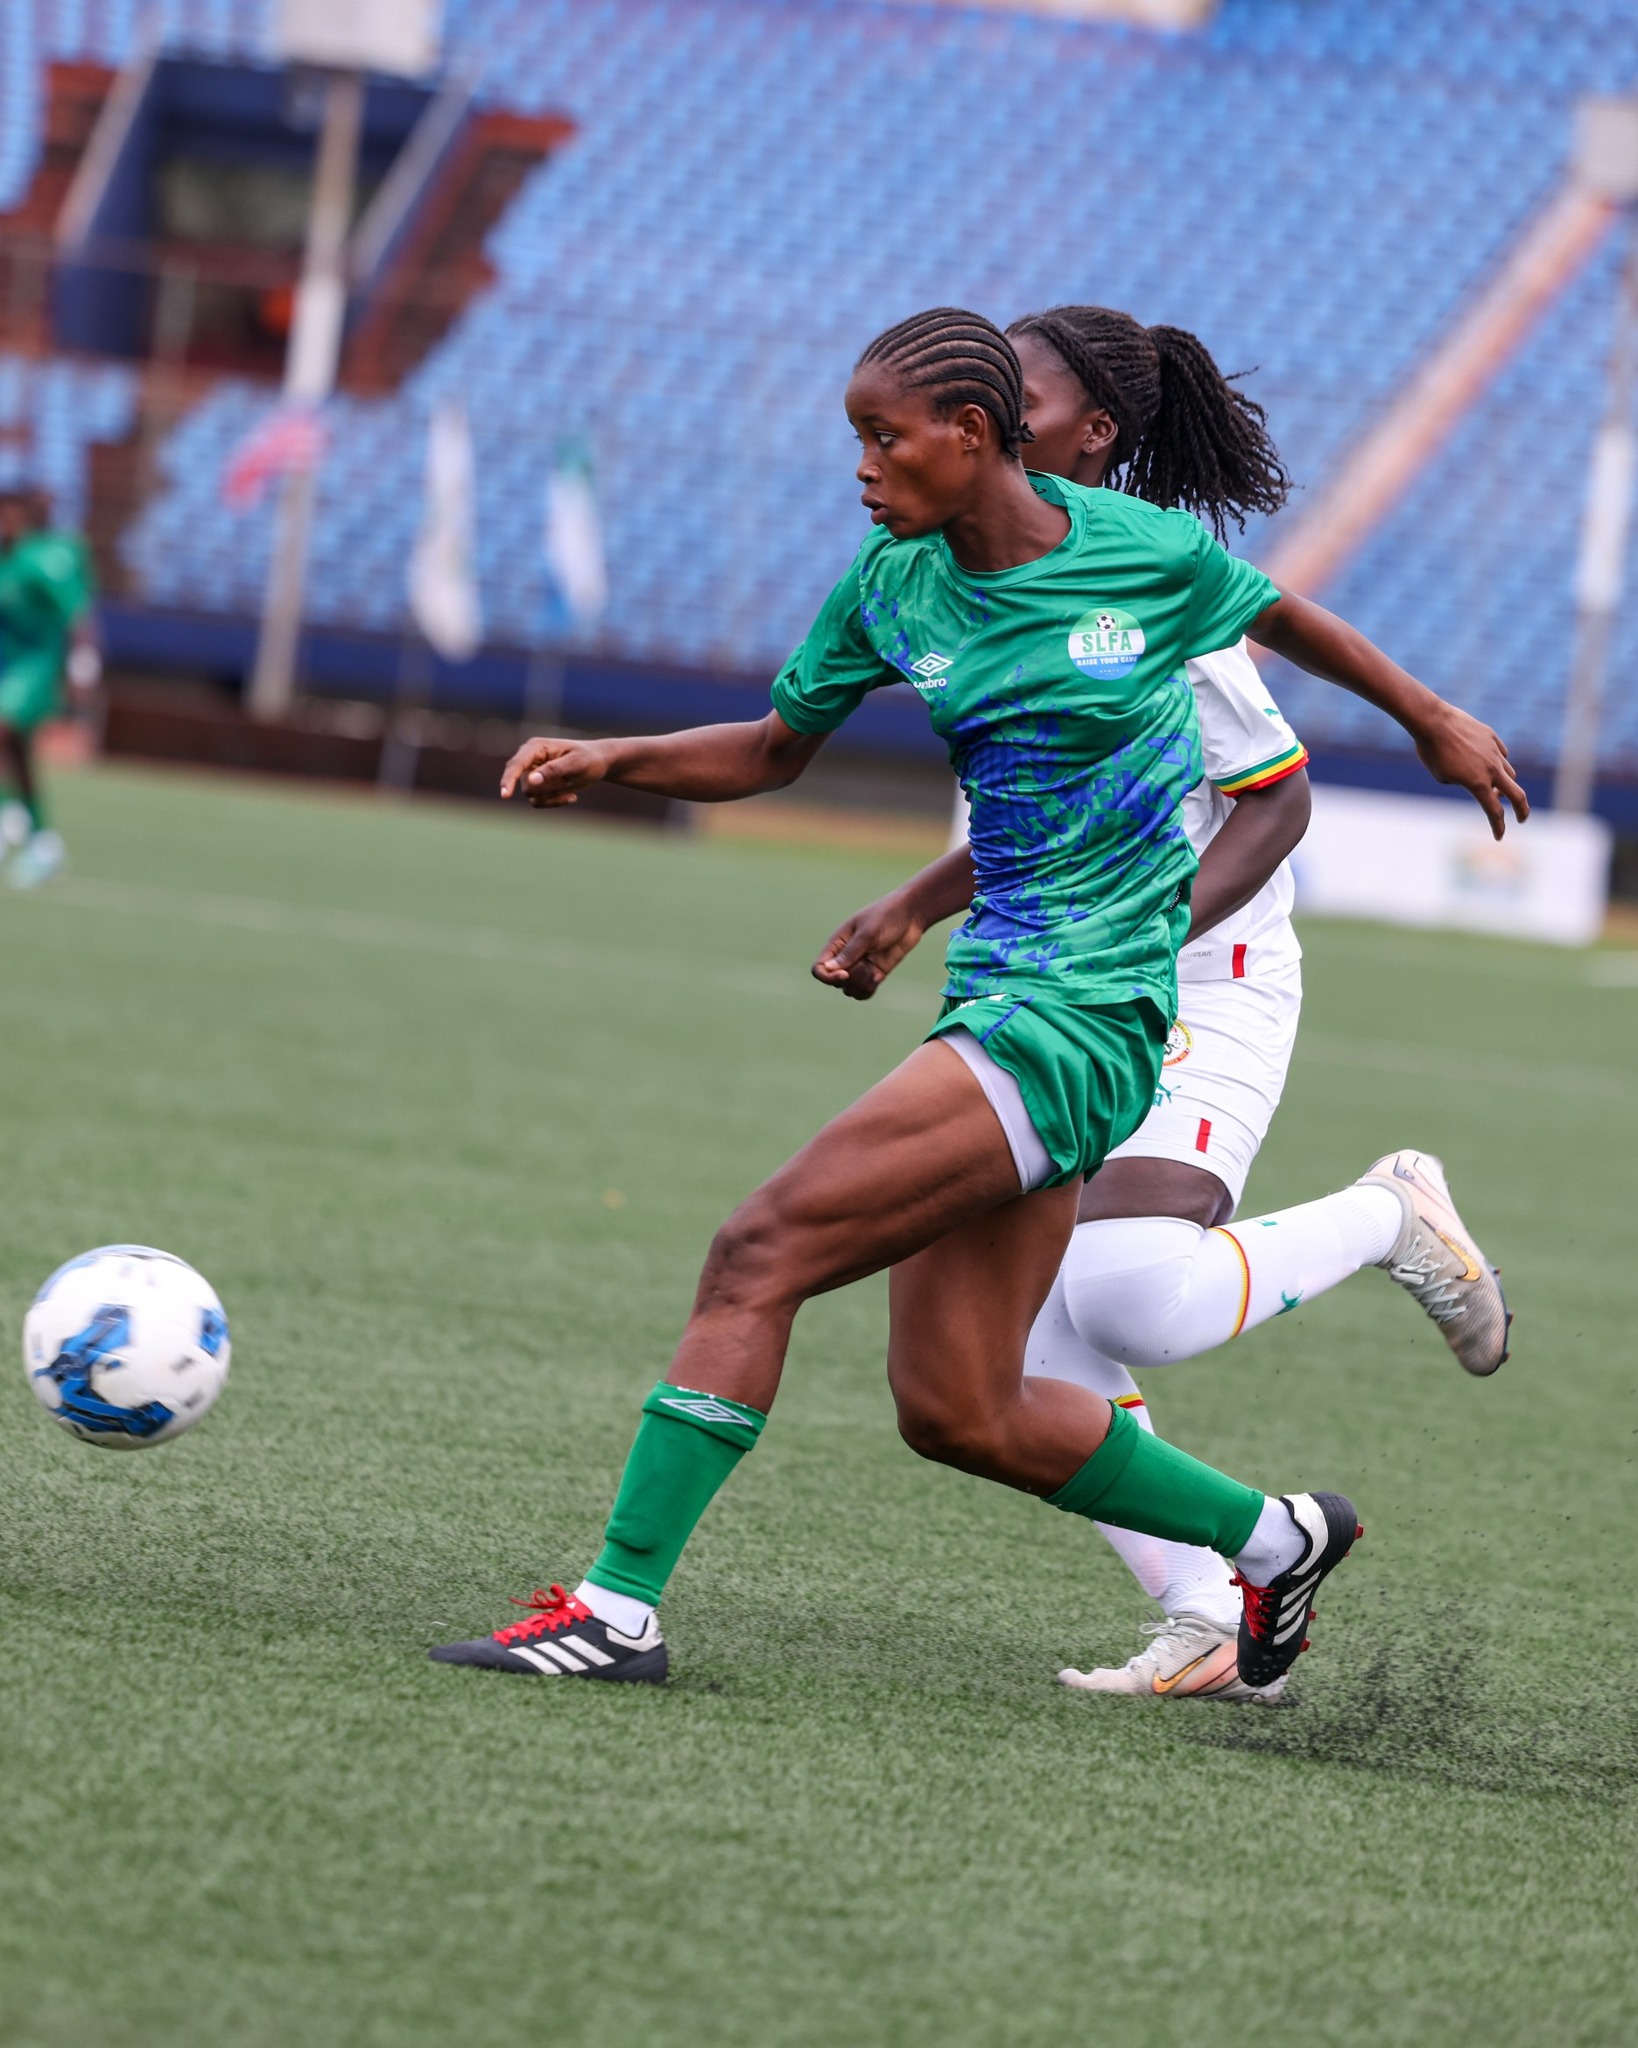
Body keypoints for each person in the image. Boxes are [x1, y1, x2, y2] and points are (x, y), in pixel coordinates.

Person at [433, 307, 1525, 1692]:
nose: (861, 466)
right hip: (1002, 993)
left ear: (972, 434)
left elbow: (1285, 620)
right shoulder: (891, 583)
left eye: (882, 437)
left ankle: (615, 1610)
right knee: (958, 1407)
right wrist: (622, 756)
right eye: (855, 438)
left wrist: (1429, 717)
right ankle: (1273, 1539)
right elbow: (774, 749)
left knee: (757, 1250)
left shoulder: (1140, 558)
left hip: (1074, 1021)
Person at [813, 305, 1511, 1704]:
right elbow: (1053, 815)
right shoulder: (972, 568)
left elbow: (1275, 800)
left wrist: (1132, 947)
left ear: (1083, 435)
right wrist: (914, 902)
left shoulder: (1147, 590)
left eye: (1020, 391)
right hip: (1054, 986)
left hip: (1195, 979)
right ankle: (1209, 1602)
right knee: (1021, 1322)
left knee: (1127, 1294)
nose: (993, 406)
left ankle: (1388, 1211)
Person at [0, 486, 93, 888]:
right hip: (5, 665)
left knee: (3, 729)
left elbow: (78, 614)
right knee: (17, 751)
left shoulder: (42, 560)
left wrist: (82, 665)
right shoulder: (8, 562)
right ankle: (39, 839)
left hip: (34, 666)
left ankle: (14, 819)